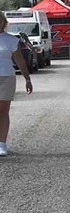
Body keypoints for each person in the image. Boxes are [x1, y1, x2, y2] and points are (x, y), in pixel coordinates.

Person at [0, 12, 34, 157]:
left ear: (4, 22)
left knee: (3, 111)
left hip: (7, 77)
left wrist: (27, 79)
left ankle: (2, 144)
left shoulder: (11, 40)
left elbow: (20, 61)